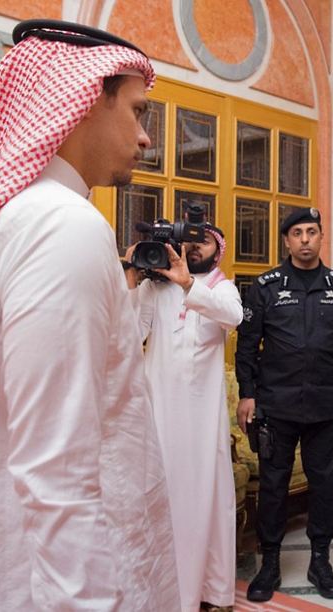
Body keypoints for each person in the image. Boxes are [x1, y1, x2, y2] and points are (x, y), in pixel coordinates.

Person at [0, 20, 179, 610]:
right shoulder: (58, 224)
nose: (146, 138)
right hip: (38, 580)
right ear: (84, 101)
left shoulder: (14, 215)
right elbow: (59, 475)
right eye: (137, 111)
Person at [235, 207, 333, 602]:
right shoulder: (266, 286)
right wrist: (247, 392)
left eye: (312, 232)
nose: (305, 239)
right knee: (273, 488)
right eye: (297, 233)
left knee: (325, 487)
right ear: (287, 241)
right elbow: (246, 345)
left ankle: (320, 560)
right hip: (277, 407)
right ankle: (270, 562)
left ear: (321, 238)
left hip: (326, 408)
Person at [124, 222, 242, 612]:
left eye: (202, 241)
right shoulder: (153, 290)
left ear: (217, 249)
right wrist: (130, 278)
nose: (193, 247)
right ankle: (164, 591)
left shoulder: (221, 288)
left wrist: (189, 286)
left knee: (205, 501)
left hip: (203, 425)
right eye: (187, 242)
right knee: (164, 501)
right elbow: (128, 333)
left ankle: (209, 591)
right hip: (160, 417)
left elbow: (233, 317)